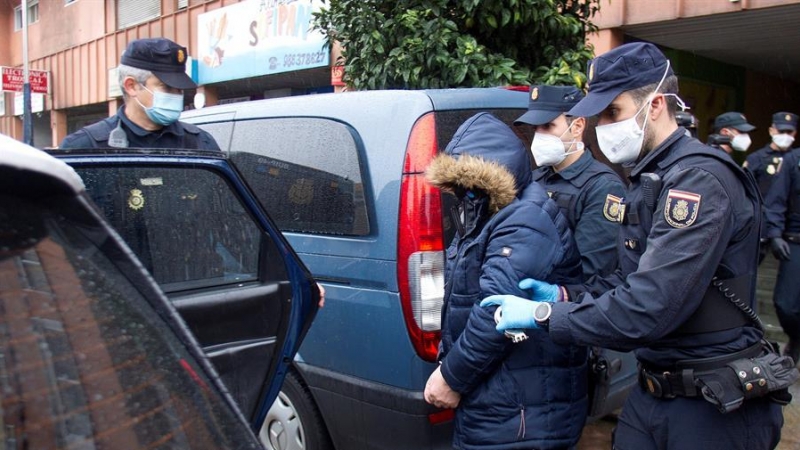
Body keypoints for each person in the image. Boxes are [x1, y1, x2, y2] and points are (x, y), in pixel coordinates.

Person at [482, 42, 794, 450]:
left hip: (713, 407)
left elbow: (648, 305)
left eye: (614, 112)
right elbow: (626, 279)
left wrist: (545, 315)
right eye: (600, 115)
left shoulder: (698, 182)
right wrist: (565, 293)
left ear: (657, 103)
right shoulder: (652, 177)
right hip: (655, 392)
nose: (604, 125)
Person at [422, 112, 587, 449]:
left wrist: (450, 377)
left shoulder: (525, 219)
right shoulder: (490, 213)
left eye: (469, 184)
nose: (463, 194)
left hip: (522, 410)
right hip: (501, 398)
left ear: (492, 176)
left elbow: (491, 312)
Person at [515, 85, 625, 279]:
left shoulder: (603, 186)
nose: (539, 135)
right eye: (535, 128)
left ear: (577, 126)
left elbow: (591, 269)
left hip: (570, 302)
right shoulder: (534, 178)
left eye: (548, 126)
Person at [60, 38, 220, 150]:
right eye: (166, 87)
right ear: (132, 86)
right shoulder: (85, 146)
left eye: (179, 89)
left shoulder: (201, 143)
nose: (177, 96)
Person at [763, 145, 800, 364]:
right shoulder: (793, 160)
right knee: (785, 304)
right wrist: (775, 234)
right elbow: (776, 200)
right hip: (795, 240)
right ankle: (796, 336)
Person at [745, 112, 798, 197]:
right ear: (771, 131)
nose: (785, 135)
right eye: (781, 131)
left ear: (795, 133)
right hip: (764, 208)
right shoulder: (756, 158)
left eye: (789, 132)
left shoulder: (797, 158)